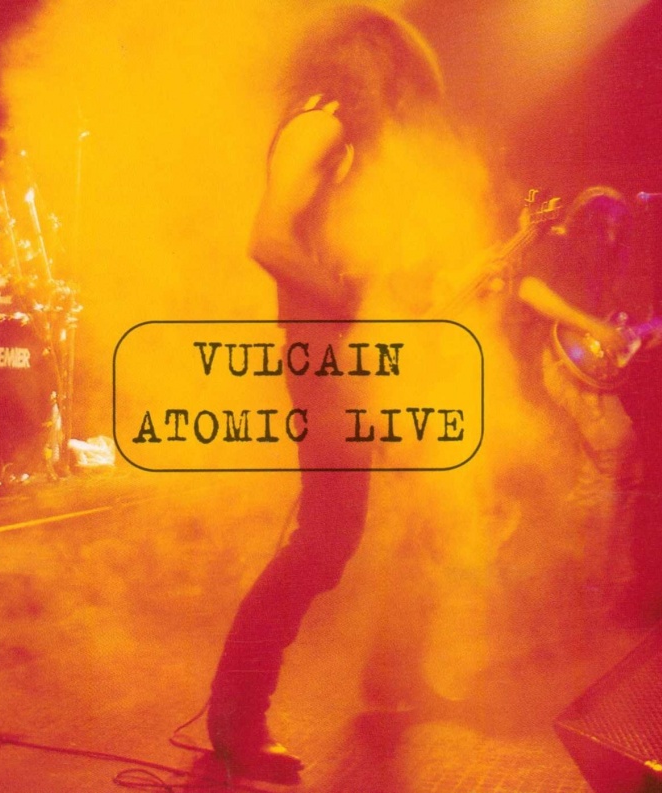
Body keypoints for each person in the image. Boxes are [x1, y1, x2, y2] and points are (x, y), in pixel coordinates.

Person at [203, 5, 447, 781]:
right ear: (364, 61)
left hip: (347, 361)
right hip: (322, 362)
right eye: (396, 77)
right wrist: (343, 301)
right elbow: (266, 238)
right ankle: (238, 716)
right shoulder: (319, 125)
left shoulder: (340, 137)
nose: (400, 98)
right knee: (323, 542)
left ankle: (382, 671)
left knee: (380, 520)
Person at [514, 186, 650, 616]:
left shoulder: (604, 267)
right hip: (552, 361)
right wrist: (592, 325)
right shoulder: (557, 243)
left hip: (585, 369)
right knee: (617, 447)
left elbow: (605, 326)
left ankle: (596, 581)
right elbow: (530, 290)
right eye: (605, 226)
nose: (612, 237)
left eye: (619, 229)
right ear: (587, 219)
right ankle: (591, 581)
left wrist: (634, 335)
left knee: (617, 468)